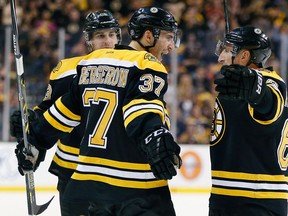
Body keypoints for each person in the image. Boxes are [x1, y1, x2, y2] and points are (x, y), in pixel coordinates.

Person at [10, 6, 182, 216]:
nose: (172, 46)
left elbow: (63, 112)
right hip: (133, 183)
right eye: (168, 37)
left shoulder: (90, 63)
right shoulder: (146, 64)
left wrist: (36, 138)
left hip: (86, 180)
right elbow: (141, 112)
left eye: (111, 34)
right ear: (148, 36)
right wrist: (155, 136)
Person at [10, 10, 121, 216]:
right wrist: (29, 129)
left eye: (112, 34)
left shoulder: (133, 69)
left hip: (116, 172)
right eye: (100, 36)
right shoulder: (67, 70)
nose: (108, 41)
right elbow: (46, 112)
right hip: (73, 170)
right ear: (89, 40)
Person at [210, 26, 288, 216]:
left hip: (256, 200)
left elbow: (270, 103)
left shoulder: (270, 82)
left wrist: (255, 86)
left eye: (227, 50)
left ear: (244, 56)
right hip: (228, 198)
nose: (221, 57)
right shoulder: (234, 87)